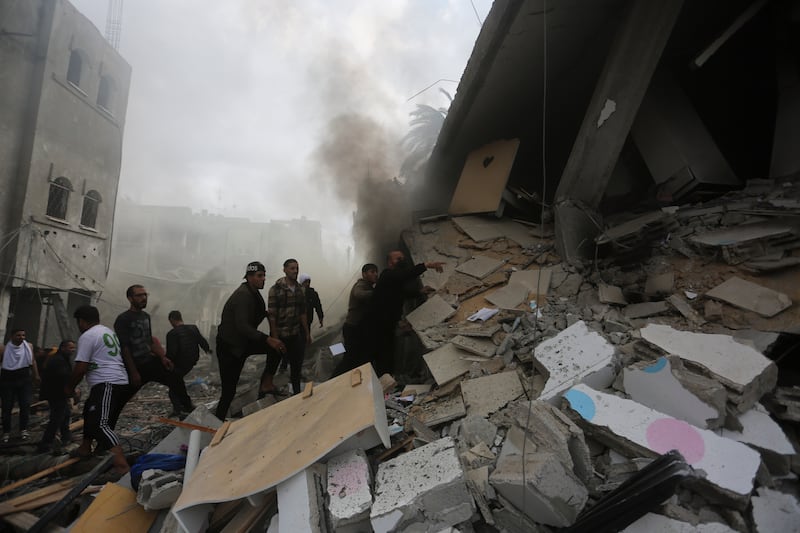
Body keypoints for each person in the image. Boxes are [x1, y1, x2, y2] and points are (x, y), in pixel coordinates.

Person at [215, 261, 286, 420]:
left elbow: (261, 314)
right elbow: (243, 326)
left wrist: (271, 323)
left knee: (277, 348)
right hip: (230, 347)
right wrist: (267, 339)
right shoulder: (243, 295)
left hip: (244, 342)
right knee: (229, 391)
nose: (263, 279)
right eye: (259, 276)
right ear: (249, 277)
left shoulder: (255, 295)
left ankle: (266, 384)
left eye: (264, 276)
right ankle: (217, 422)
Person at [67, 305, 132, 473]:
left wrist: (69, 387)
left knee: (99, 424)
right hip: (113, 381)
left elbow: (81, 367)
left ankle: (121, 464)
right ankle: (85, 448)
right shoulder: (107, 331)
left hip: (107, 382)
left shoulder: (88, 336)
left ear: (81, 321)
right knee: (89, 411)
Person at [114, 284, 194, 418]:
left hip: (149, 361)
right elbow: (125, 347)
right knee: (120, 399)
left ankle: (188, 408)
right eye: (139, 295)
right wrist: (133, 372)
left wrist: (163, 357)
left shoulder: (145, 316)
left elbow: (150, 341)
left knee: (175, 377)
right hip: (134, 365)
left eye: (145, 295)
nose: (144, 298)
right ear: (130, 298)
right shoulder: (123, 319)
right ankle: (105, 425)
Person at [367, 251, 444, 376]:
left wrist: (420, 292)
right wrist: (426, 265)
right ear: (390, 263)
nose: (402, 261)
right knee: (381, 355)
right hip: (377, 326)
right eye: (398, 259)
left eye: (403, 258)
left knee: (388, 354)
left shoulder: (394, 280)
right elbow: (404, 275)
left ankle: (388, 382)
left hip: (388, 324)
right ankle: (382, 384)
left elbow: (401, 293)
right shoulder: (387, 275)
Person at [268, 258, 311, 395]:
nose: (295, 271)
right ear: (285, 270)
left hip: (295, 335)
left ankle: (297, 395)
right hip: (280, 335)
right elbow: (272, 315)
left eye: (297, 268)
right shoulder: (275, 289)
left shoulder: (300, 290)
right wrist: (275, 338)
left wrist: (307, 333)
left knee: (296, 368)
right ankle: (263, 394)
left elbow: (302, 313)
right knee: (271, 367)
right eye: (292, 268)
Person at [332, 263, 378, 376]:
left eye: (376, 272)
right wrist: (378, 293)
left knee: (362, 358)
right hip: (353, 329)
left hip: (360, 329)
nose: (376, 274)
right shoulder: (360, 285)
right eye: (372, 272)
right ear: (364, 274)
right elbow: (359, 294)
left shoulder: (369, 287)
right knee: (350, 359)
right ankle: (332, 381)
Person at [165, 310, 211, 416]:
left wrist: (166, 362)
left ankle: (179, 409)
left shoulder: (172, 334)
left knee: (174, 386)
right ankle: (186, 406)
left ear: (172, 320)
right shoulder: (193, 328)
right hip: (192, 361)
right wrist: (208, 351)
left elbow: (172, 352)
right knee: (177, 382)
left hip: (178, 364)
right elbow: (203, 342)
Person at [0, 327, 40, 443]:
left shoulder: (29, 346)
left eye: (23, 335)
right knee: (7, 407)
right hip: (8, 379)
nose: (21, 338)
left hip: (24, 378)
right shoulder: (4, 349)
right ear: (12, 336)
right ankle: (6, 432)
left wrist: (36, 375)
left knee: (25, 404)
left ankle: (23, 429)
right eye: (18, 335)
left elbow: (33, 361)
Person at [37, 340, 76, 453]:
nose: (72, 350)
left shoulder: (62, 359)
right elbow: (62, 378)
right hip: (56, 393)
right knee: (56, 418)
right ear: (63, 348)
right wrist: (72, 390)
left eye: (74, 348)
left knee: (65, 414)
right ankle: (46, 444)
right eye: (70, 348)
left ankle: (66, 437)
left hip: (59, 393)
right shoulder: (58, 360)